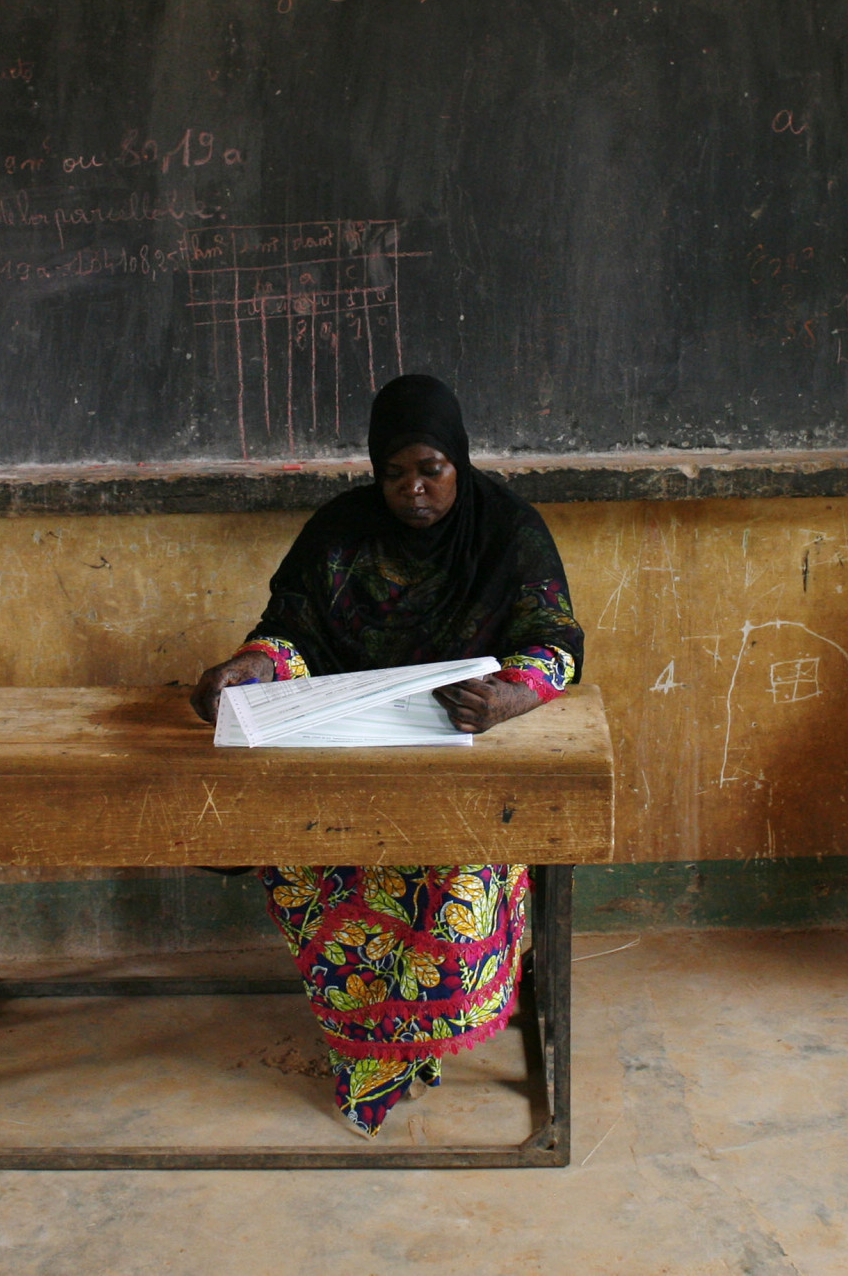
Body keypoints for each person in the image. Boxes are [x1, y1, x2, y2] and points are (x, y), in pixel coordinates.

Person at [189, 373, 584, 1134]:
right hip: (350, 746)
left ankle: (417, 1039)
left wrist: (512, 694)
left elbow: (557, 643)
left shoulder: (507, 529)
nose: (413, 490)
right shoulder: (341, 530)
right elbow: (290, 631)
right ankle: (369, 1047)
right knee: (308, 852)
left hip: (458, 750)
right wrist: (250, 666)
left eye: (430, 470)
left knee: (457, 861)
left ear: (459, 463)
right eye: (394, 473)